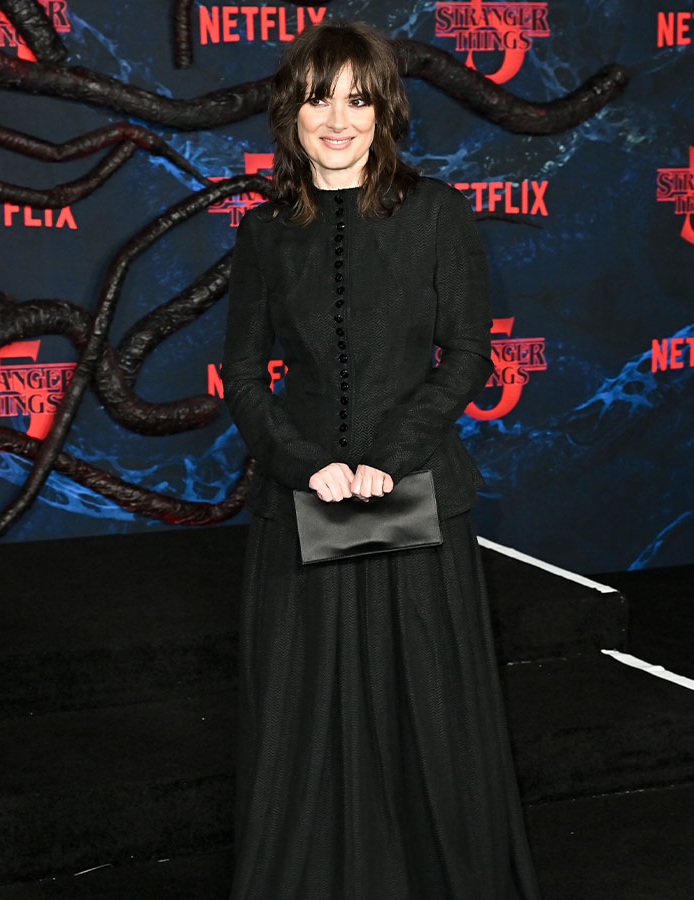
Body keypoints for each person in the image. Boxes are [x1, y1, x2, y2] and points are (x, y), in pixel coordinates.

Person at [220, 20, 543, 900]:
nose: (337, 119)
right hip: (304, 502)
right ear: (292, 113)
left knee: (428, 714)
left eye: (357, 99)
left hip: (417, 494)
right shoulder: (260, 232)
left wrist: (393, 458)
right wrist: (302, 464)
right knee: (303, 715)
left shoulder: (437, 212)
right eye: (319, 98)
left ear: (384, 111)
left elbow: (468, 353)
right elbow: (244, 374)